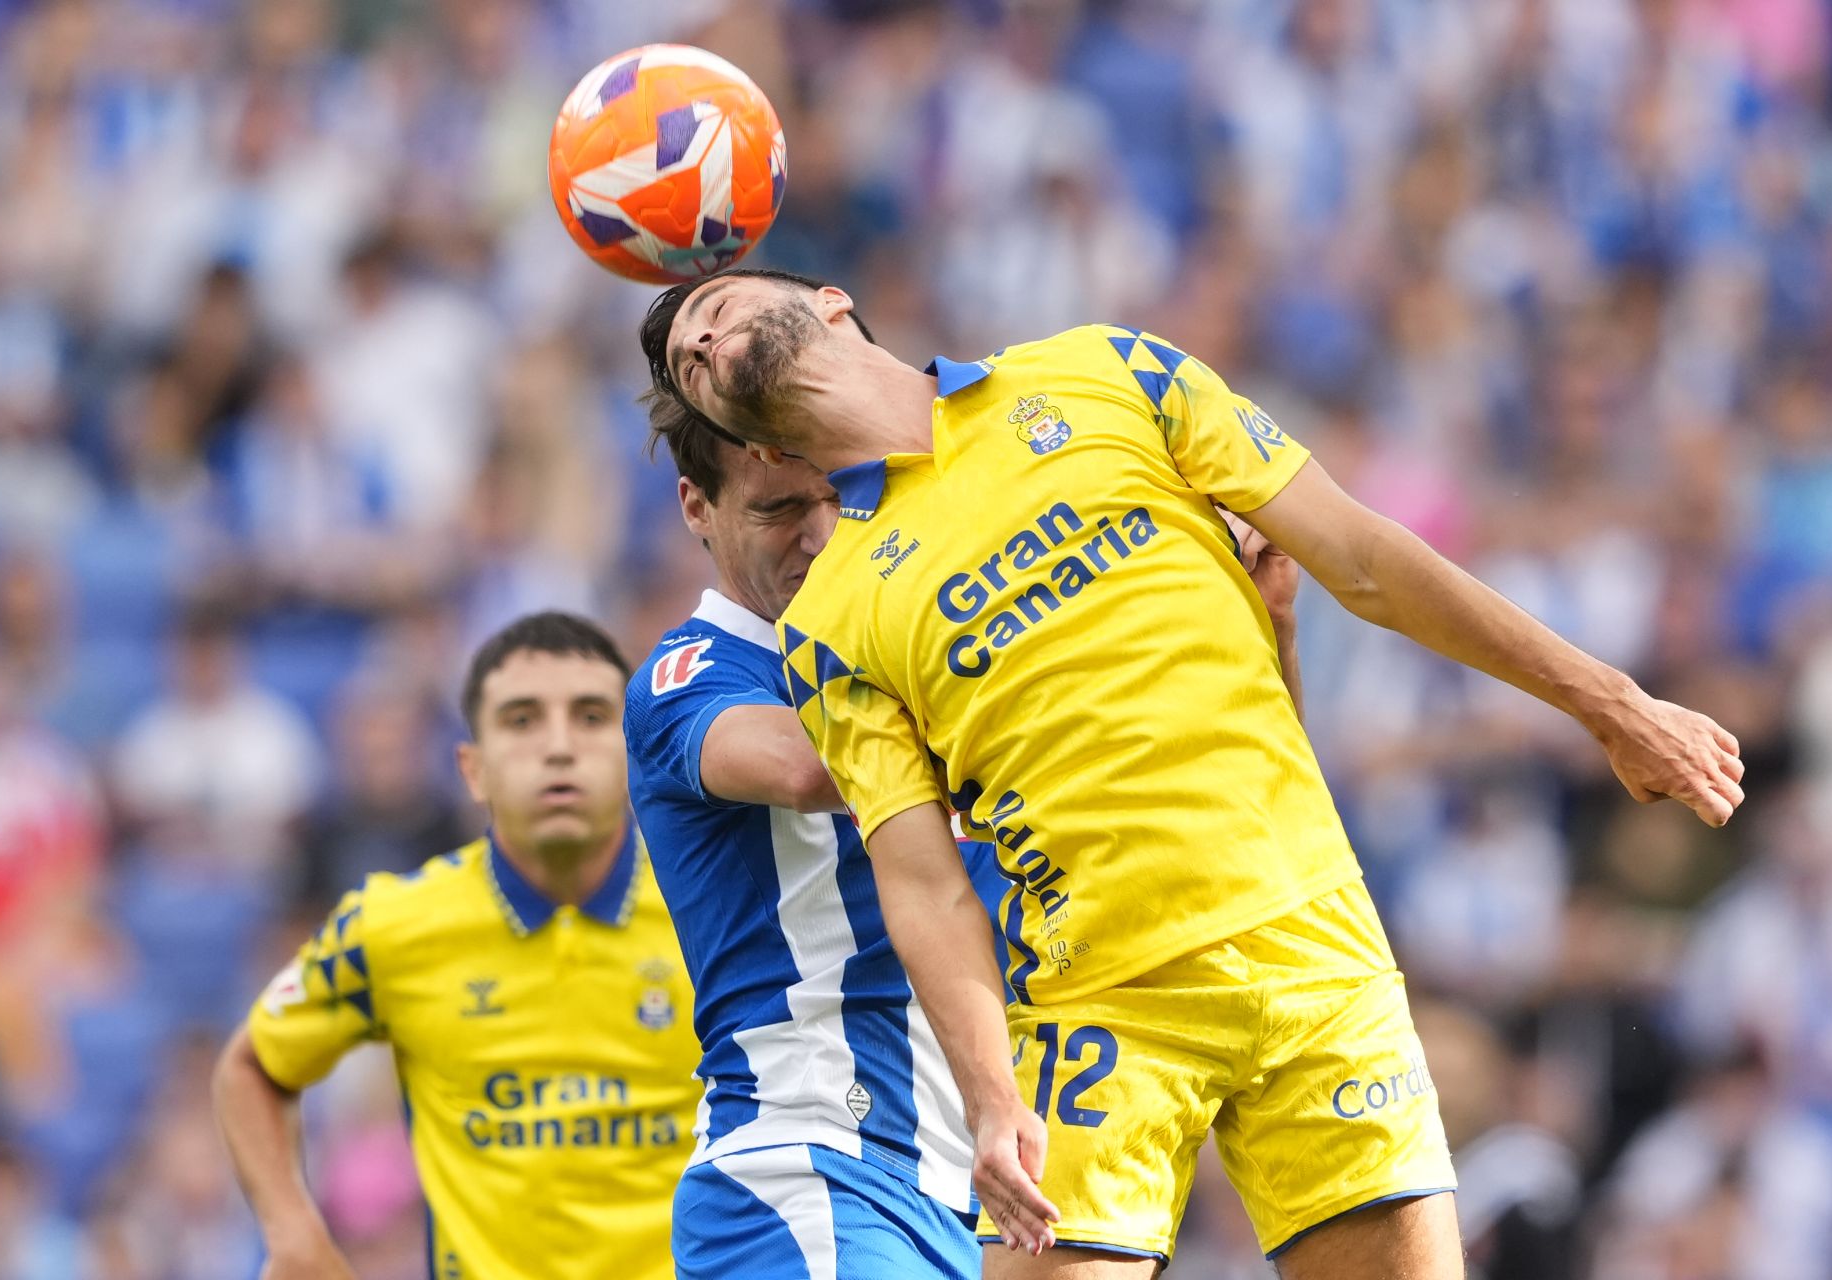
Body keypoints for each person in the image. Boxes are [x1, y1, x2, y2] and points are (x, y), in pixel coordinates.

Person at [637, 267, 1745, 1278]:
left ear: (832, 303)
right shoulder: (829, 618)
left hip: (1314, 949)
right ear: (750, 444)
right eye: (692, 360)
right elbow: (922, 881)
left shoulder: (1105, 369)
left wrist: (1613, 703)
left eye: (718, 307)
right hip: (1102, 1008)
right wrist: (990, 1098)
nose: (703, 338)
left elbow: (1362, 559)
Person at [626, 379, 1303, 1278]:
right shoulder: (690, 674)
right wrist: (1065, 655)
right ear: (697, 508)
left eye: (835, 497)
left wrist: (1263, 625)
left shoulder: (932, 656)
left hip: (989, 1188)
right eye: (779, 510)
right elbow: (808, 767)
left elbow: (1233, 798)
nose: (821, 537)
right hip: (815, 1168)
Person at [211, 612, 701, 1280]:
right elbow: (251, 1067)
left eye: (591, 717)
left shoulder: (714, 912)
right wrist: (293, 1233)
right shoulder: (394, 924)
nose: (559, 747)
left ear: (634, 752)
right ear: (473, 769)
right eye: (522, 720)